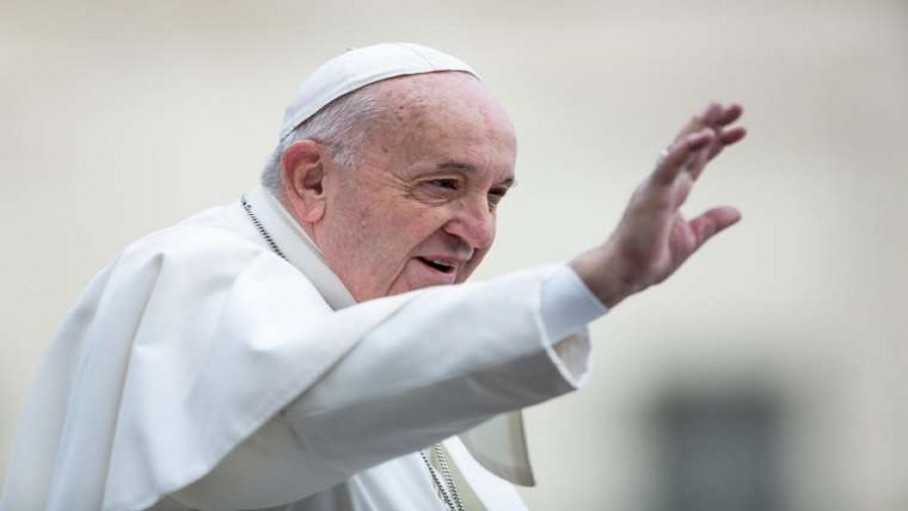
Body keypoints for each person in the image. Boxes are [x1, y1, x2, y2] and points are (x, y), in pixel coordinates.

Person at [0, 43, 747, 511]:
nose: (479, 229)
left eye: (495, 194)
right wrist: (593, 281)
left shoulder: (385, 342)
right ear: (313, 179)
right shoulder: (189, 275)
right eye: (442, 184)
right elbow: (299, 405)